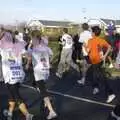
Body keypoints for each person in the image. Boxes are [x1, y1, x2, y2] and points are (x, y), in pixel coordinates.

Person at [0, 30, 33, 120]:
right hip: (18, 74)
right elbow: (28, 56)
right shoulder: (17, 46)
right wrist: (27, 64)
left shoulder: (3, 47)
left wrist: (2, 34)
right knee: (12, 96)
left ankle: (27, 115)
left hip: (10, 76)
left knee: (16, 96)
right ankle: (10, 113)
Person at [27, 33, 57, 120]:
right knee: (36, 84)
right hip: (45, 70)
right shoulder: (46, 47)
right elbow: (51, 55)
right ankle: (46, 99)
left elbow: (28, 57)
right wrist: (47, 62)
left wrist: (27, 64)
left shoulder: (32, 48)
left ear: (37, 40)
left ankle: (51, 111)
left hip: (38, 71)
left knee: (43, 91)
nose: (32, 41)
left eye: (33, 39)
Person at [85, 26, 116, 103]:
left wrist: (84, 46)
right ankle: (96, 87)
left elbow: (88, 51)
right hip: (99, 60)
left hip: (96, 61)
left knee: (102, 77)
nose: (91, 33)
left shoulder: (90, 40)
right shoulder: (101, 40)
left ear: (94, 33)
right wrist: (105, 56)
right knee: (95, 74)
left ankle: (111, 93)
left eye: (91, 32)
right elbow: (109, 47)